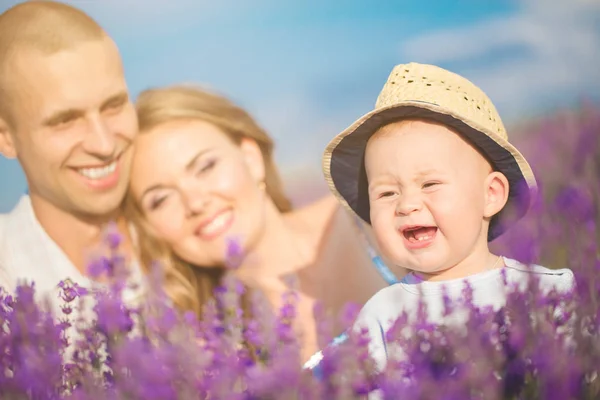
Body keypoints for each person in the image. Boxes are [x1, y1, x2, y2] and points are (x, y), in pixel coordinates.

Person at [321, 62, 575, 372]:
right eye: (387, 193)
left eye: (429, 184)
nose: (407, 205)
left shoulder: (546, 291)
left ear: (491, 194)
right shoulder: (381, 315)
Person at [125, 85, 404, 362]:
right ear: (147, 226)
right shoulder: (211, 345)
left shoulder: (367, 217)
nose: (195, 203)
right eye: (160, 199)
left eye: (205, 167)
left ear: (251, 157)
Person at [0, 1, 141, 313]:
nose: (104, 144)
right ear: (6, 138)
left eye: (113, 105)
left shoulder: (190, 232)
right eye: (65, 120)